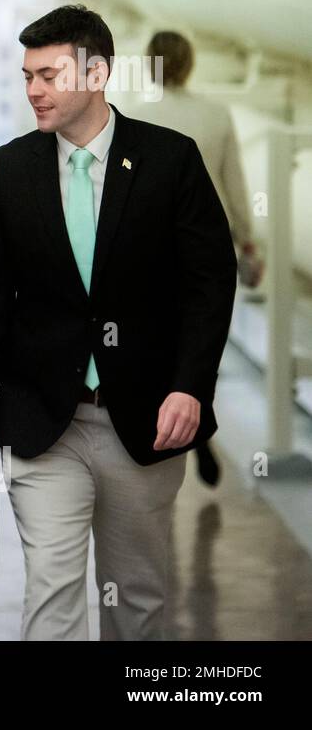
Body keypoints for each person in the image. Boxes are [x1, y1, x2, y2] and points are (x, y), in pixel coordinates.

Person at [0, 5, 237, 640]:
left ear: (98, 72)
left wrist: (190, 385)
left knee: (137, 601)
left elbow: (210, 283)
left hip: (142, 423)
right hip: (42, 422)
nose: (33, 90)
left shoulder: (170, 161)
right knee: (51, 594)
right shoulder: (12, 168)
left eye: (48, 75)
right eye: (27, 76)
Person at [115, 29, 264, 487]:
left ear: (151, 62)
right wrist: (247, 240)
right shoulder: (216, 115)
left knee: (163, 346)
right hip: (206, 247)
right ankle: (197, 424)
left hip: (156, 249)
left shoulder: (137, 116)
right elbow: (234, 185)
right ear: (191, 63)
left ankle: (184, 428)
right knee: (199, 345)